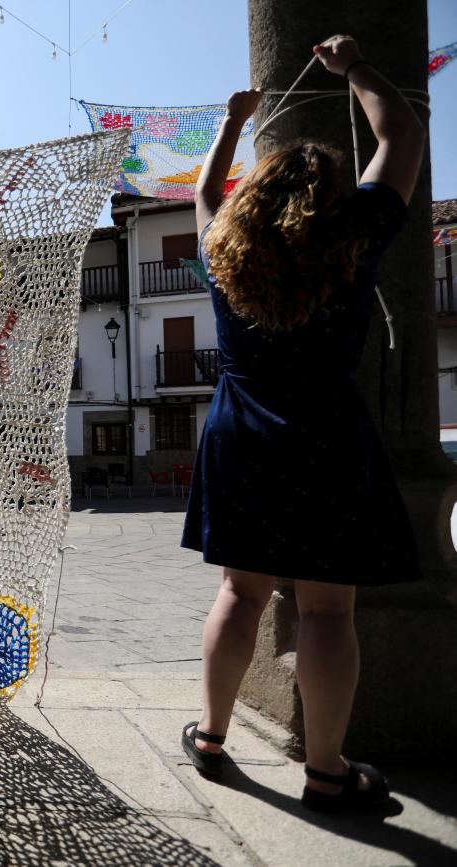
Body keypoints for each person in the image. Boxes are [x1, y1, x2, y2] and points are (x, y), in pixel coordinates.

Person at [179, 36, 425, 813]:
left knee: (239, 592)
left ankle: (211, 737)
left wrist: (233, 122)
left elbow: (205, 191)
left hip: (239, 428)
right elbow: (402, 135)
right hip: (324, 428)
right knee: (325, 609)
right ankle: (326, 771)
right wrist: (354, 66)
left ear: (257, 198)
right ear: (334, 200)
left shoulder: (224, 248)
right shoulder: (353, 239)